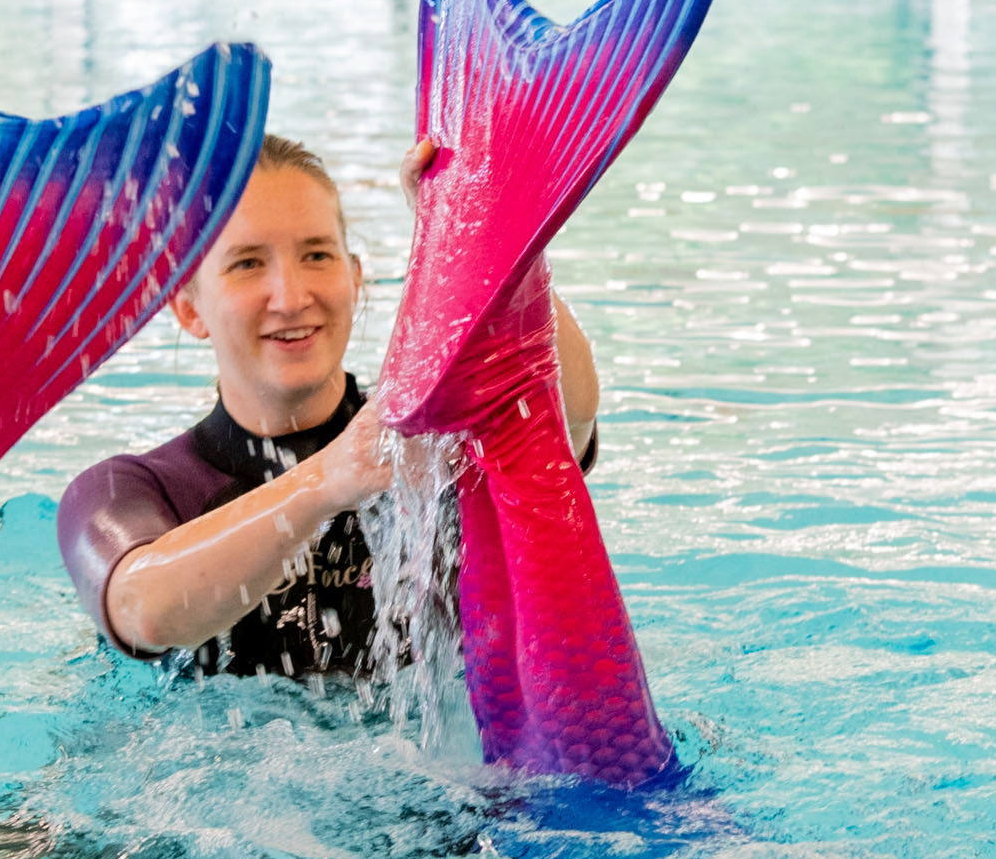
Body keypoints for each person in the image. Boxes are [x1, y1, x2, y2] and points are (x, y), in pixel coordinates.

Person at [56, 134, 598, 676]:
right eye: (246, 264)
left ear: (354, 279)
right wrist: (331, 478)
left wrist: (478, 231)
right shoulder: (121, 492)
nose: (291, 298)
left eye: (317, 255)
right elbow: (141, 611)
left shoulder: (433, 440)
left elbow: (566, 417)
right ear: (189, 309)